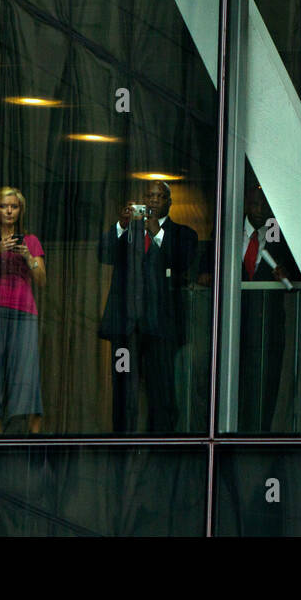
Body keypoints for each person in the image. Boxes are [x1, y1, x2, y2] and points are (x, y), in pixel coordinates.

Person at [98, 180, 197, 433]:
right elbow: (104, 254)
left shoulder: (183, 234)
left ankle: (159, 451)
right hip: (126, 328)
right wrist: (122, 224)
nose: (153, 201)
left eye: (159, 197)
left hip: (160, 330)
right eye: (149, 196)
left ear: (169, 203)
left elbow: (182, 263)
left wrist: (156, 233)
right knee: (123, 390)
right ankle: (121, 446)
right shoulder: (130, 230)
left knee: (160, 392)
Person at [0, 186, 46, 434]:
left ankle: (29, 427)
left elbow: (42, 279)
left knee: (25, 368)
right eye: (3, 206)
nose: (9, 211)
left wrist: (27, 256)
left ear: (21, 210)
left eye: (14, 206)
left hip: (24, 310)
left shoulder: (30, 240)